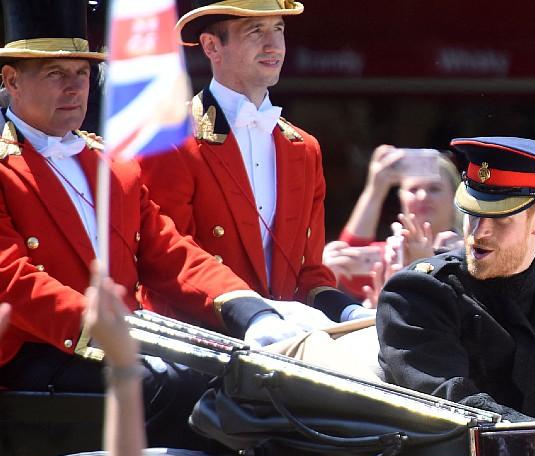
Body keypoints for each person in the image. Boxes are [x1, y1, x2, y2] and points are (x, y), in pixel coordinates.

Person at [0, 1, 306, 413]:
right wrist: (113, 330)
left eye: (83, 73)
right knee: (192, 390)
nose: (74, 88)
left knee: (252, 377)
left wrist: (249, 311)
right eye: (55, 74)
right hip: (35, 357)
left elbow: (172, 253)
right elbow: (12, 280)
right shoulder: (6, 169)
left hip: (124, 347)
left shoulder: (113, 166)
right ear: (12, 81)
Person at [140, 0, 368, 324]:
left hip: (283, 348)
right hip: (201, 343)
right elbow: (167, 260)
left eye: (279, 29)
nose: (273, 45)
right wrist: (252, 314)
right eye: (255, 31)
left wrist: (348, 310)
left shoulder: (304, 149)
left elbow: (308, 273)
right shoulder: (171, 141)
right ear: (211, 46)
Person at [376, 136, 535, 423]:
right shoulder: (418, 294)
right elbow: (453, 405)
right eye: (472, 214)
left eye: (500, 219)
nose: (479, 232)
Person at [325, 147, 463, 301]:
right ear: (401, 199)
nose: (423, 196)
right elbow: (348, 268)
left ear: (455, 197)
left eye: (434, 189)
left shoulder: (468, 250)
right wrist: (376, 189)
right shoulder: (393, 253)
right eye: (413, 189)